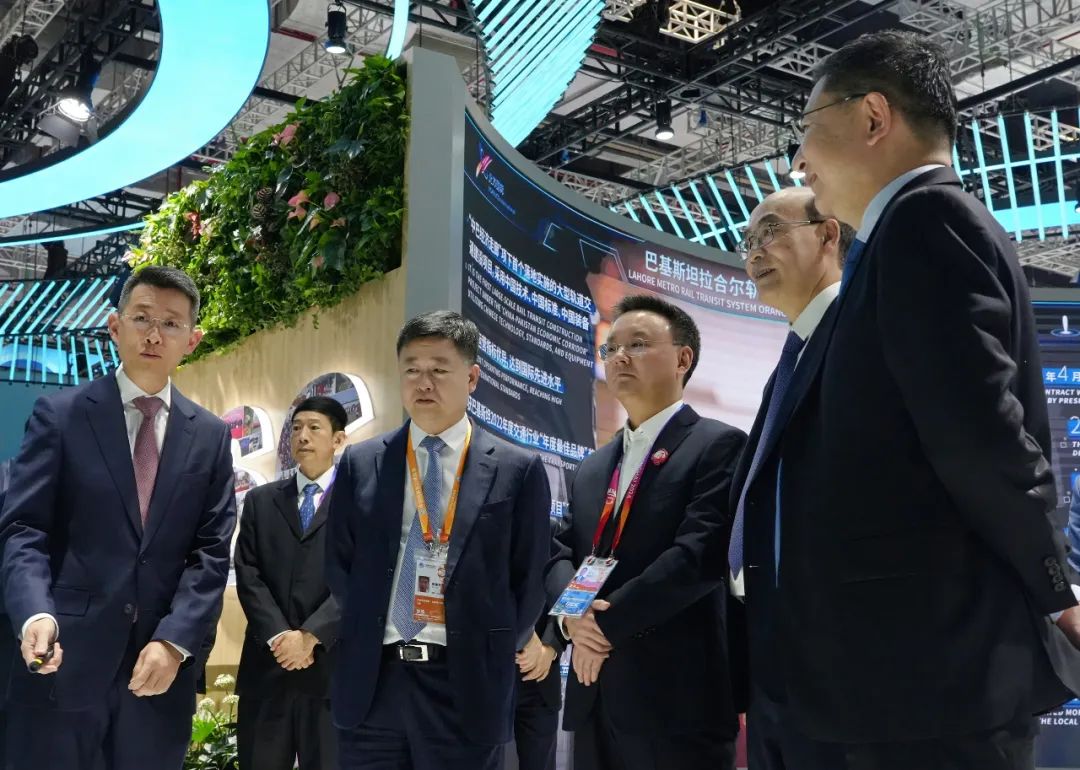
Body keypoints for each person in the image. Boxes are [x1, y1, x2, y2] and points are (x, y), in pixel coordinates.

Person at [757, 29, 1080, 769]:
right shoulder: (902, 237)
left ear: (874, 116)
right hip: (901, 679)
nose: (799, 160)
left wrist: (1055, 586)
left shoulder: (926, 221)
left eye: (806, 128)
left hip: (931, 678)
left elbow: (980, 432)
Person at [0, 266, 236, 770]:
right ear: (115, 326)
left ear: (192, 340)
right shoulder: (60, 415)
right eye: (142, 317)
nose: (154, 334)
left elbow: (212, 553)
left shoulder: (211, 435)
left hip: (158, 671)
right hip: (62, 662)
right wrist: (35, 613)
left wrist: (175, 640)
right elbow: (24, 529)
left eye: (171, 324)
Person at [326, 310, 551, 770]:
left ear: (472, 378)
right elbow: (339, 563)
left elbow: (529, 577)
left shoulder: (516, 468)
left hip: (464, 685)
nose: (423, 383)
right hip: (374, 682)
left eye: (438, 370)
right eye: (411, 369)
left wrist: (493, 648)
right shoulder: (361, 462)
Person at [545, 294, 747, 770]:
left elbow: (698, 556)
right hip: (594, 695)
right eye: (611, 348)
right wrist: (572, 621)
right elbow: (559, 553)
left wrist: (602, 626)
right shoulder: (592, 468)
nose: (619, 357)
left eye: (637, 344)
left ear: (683, 359)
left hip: (677, 700)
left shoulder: (718, 445)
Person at [727, 186, 852, 767]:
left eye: (772, 231)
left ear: (828, 234)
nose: (755, 251)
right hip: (773, 656)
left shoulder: (862, 335)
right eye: (749, 240)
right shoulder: (789, 362)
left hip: (843, 653)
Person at [234, 396, 347, 770]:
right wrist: (280, 636)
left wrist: (312, 635)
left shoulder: (359, 503)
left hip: (331, 670)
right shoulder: (261, 501)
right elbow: (248, 572)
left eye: (314, 428)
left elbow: (362, 577)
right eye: (296, 428)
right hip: (268, 666)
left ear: (338, 439)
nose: (302, 436)